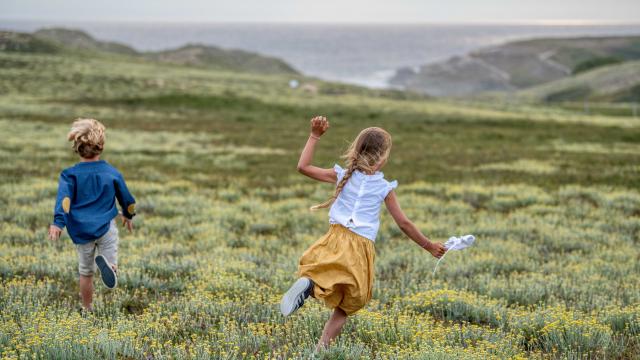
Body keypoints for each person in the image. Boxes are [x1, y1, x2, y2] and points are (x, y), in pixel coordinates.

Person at [280, 116, 446, 349]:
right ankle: (320, 349)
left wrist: (314, 136)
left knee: (326, 278)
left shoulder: (341, 175)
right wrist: (428, 245)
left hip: (334, 238)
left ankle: (309, 284)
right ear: (383, 157)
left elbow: (303, 167)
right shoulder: (384, 187)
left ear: (357, 150)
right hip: (359, 248)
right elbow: (404, 224)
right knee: (349, 302)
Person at [48, 118, 136, 311]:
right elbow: (126, 197)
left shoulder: (69, 175)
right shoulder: (111, 172)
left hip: (82, 231)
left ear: (76, 147)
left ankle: (87, 308)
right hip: (106, 227)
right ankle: (110, 266)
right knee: (109, 255)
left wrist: (58, 223)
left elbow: (64, 201)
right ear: (101, 146)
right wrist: (129, 215)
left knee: (85, 272)